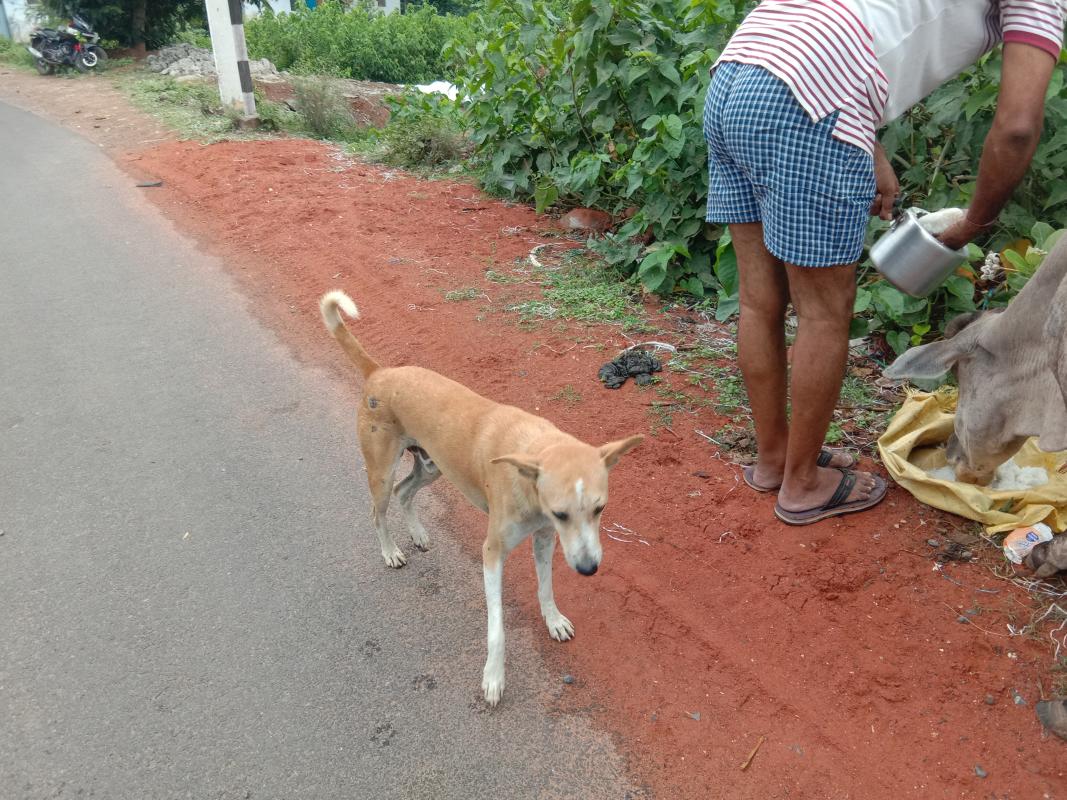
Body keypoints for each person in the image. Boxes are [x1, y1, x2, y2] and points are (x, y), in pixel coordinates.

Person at [703, 0, 1065, 525]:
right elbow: (1016, 126)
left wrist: (866, 147)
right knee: (824, 312)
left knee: (760, 300)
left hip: (740, 69)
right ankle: (802, 484)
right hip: (811, 93)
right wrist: (973, 224)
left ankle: (775, 459)